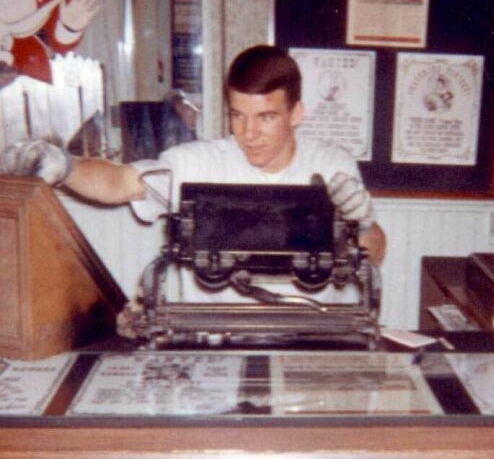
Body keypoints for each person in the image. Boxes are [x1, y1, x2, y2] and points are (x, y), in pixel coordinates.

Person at [0, 45, 386, 299]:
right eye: (238, 116)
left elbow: (375, 253)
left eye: (266, 117)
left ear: (296, 114)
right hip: (208, 338)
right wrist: (64, 165)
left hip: (309, 340)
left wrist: (363, 224)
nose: (248, 134)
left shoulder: (331, 165)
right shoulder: (197, 163)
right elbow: (119, 182)